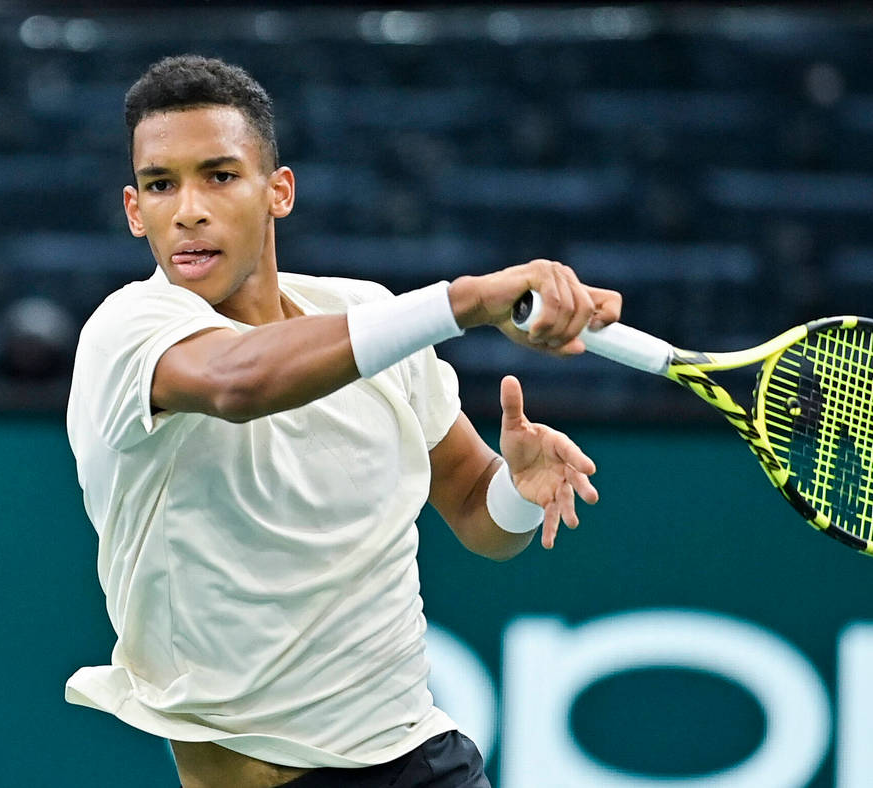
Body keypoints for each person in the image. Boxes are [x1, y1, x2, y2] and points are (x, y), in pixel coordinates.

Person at [64, 55, 621, 788]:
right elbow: (239, 381)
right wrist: (466, 302)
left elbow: (472, 509)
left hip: (422, 762)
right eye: (161, 184)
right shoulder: (127, 332)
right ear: (135, 210)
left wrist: (516, 489)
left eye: (220, 176)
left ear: (278, 191)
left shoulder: (367, 316)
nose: (188, 209)